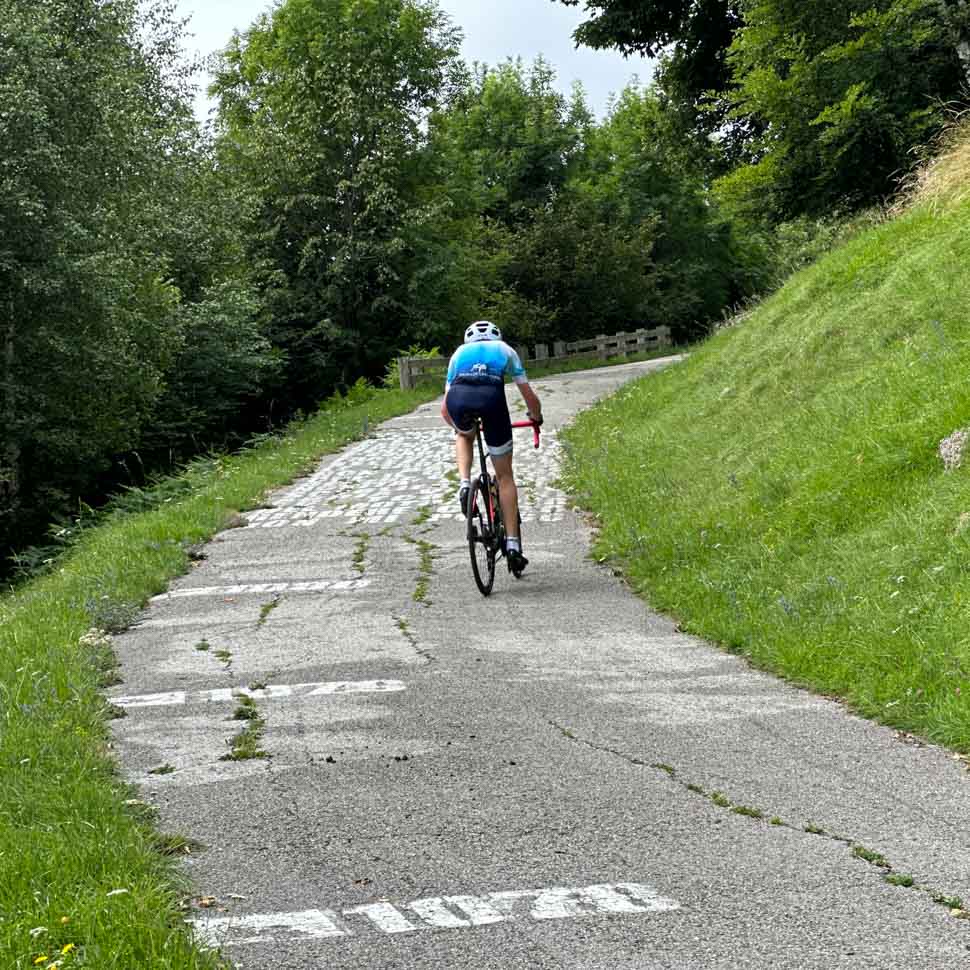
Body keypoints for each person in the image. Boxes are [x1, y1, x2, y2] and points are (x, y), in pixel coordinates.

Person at [441, 320, 542, 575]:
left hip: (459, 399)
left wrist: (461, 427)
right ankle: (512, 546)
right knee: (505, 476)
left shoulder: (457, 355)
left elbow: (444, 408)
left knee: (463, 436)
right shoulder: (505, 349)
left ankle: (465, 483)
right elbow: (528, 394)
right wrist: (535, 416)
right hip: (491, 398)